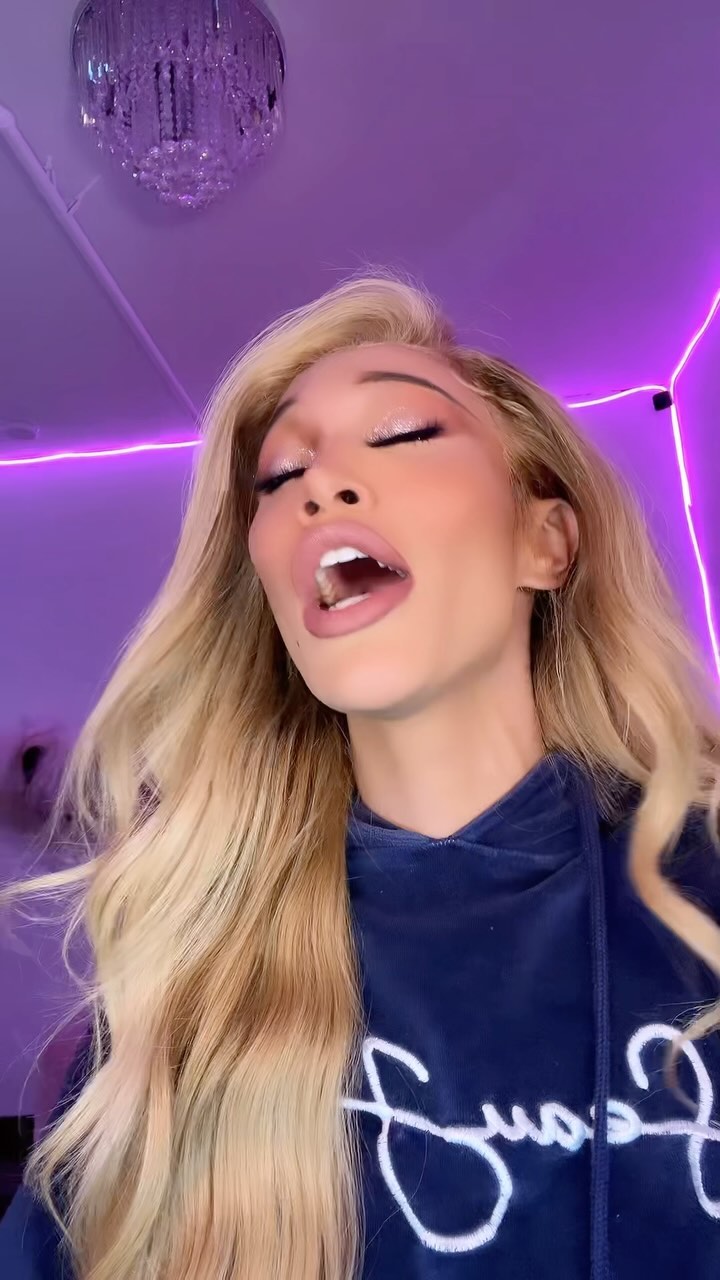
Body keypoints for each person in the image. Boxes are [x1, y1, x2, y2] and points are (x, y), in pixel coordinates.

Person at [1, 273, 720, 1280]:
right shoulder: (194, 982)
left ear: (546, 540)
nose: (319, 486)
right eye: (279, 475)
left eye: (404, 433)